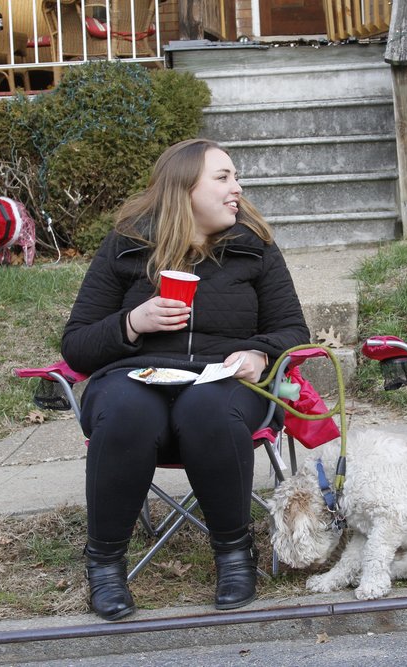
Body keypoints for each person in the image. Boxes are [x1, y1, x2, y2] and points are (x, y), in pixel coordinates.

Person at [62, 139, 310, 620]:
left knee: (207, 409)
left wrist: (260, 353)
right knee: (127, 411)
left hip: (225, 383)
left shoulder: (253, 249)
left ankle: (235, 555)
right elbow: (76, 345)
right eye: (223, 178)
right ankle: (105, 565)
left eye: (235, 177)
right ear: (183, 189)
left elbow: (292, 331)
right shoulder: (126, 246)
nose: (237, 189)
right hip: (135, 377)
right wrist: (133, 323)